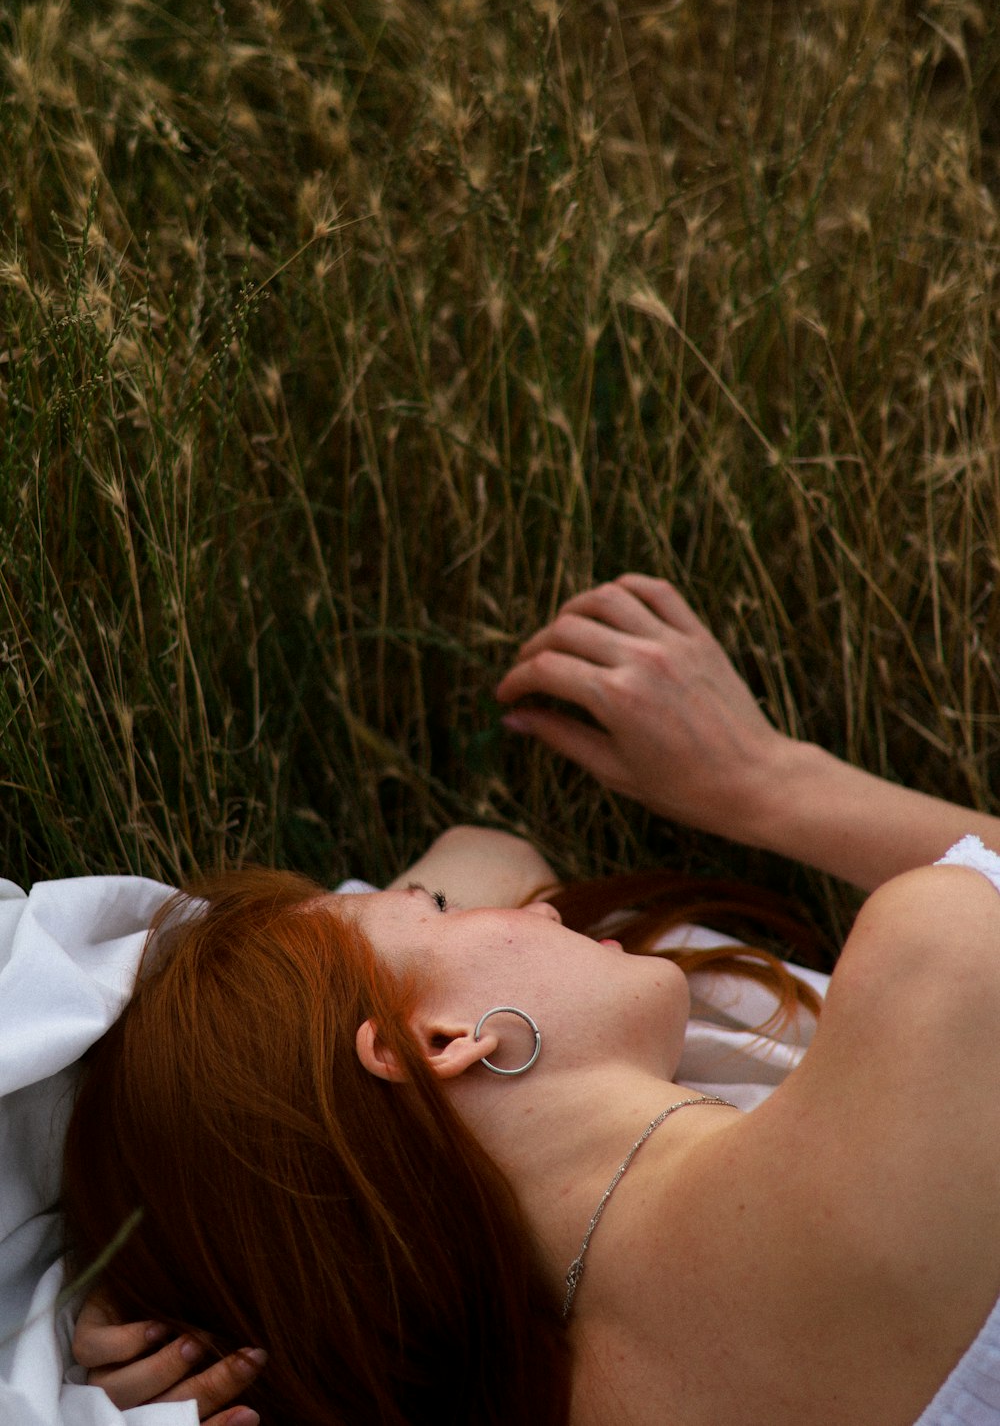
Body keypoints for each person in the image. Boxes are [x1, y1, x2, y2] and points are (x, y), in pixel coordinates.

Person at [13, 575, 1000, 1423]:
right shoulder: (935, 975)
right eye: (431, 911)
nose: (533, 909)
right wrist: (765, 781)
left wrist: (218, 1257)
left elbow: (485, 855)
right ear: (438, 1040)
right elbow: (485, 857)